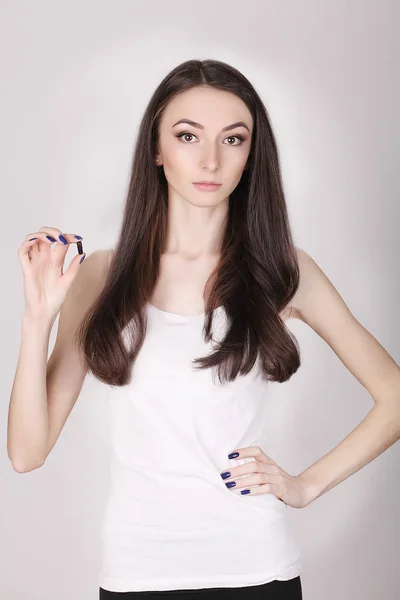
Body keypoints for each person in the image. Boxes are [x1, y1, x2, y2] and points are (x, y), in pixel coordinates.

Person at [9, 59, 400, 600]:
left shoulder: (284, 271)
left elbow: (395, 396)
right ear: (156, 149)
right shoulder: (102, 274)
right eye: (188, 135)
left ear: (251, 155)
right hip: (137, 571)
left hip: (255, 568)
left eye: (233, 139)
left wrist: (305, 485)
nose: (210, 159)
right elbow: (27, 453)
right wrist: (37, 317)